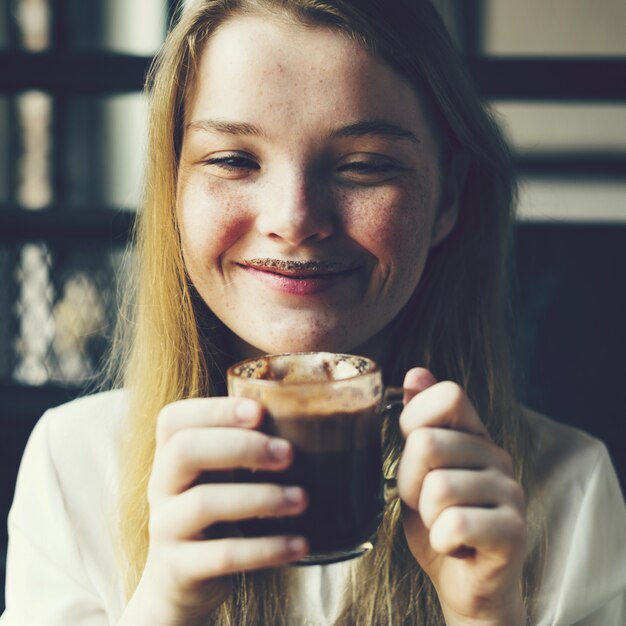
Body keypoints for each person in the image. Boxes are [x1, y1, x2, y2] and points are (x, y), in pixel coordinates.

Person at [2, 0, 625, 624]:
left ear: (448, 199)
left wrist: (490, 614)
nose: (294, 220)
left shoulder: (570, 488)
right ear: (173, 189)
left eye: (363, 166)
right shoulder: (74, 464)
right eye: (233, 161)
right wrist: (165, 607)